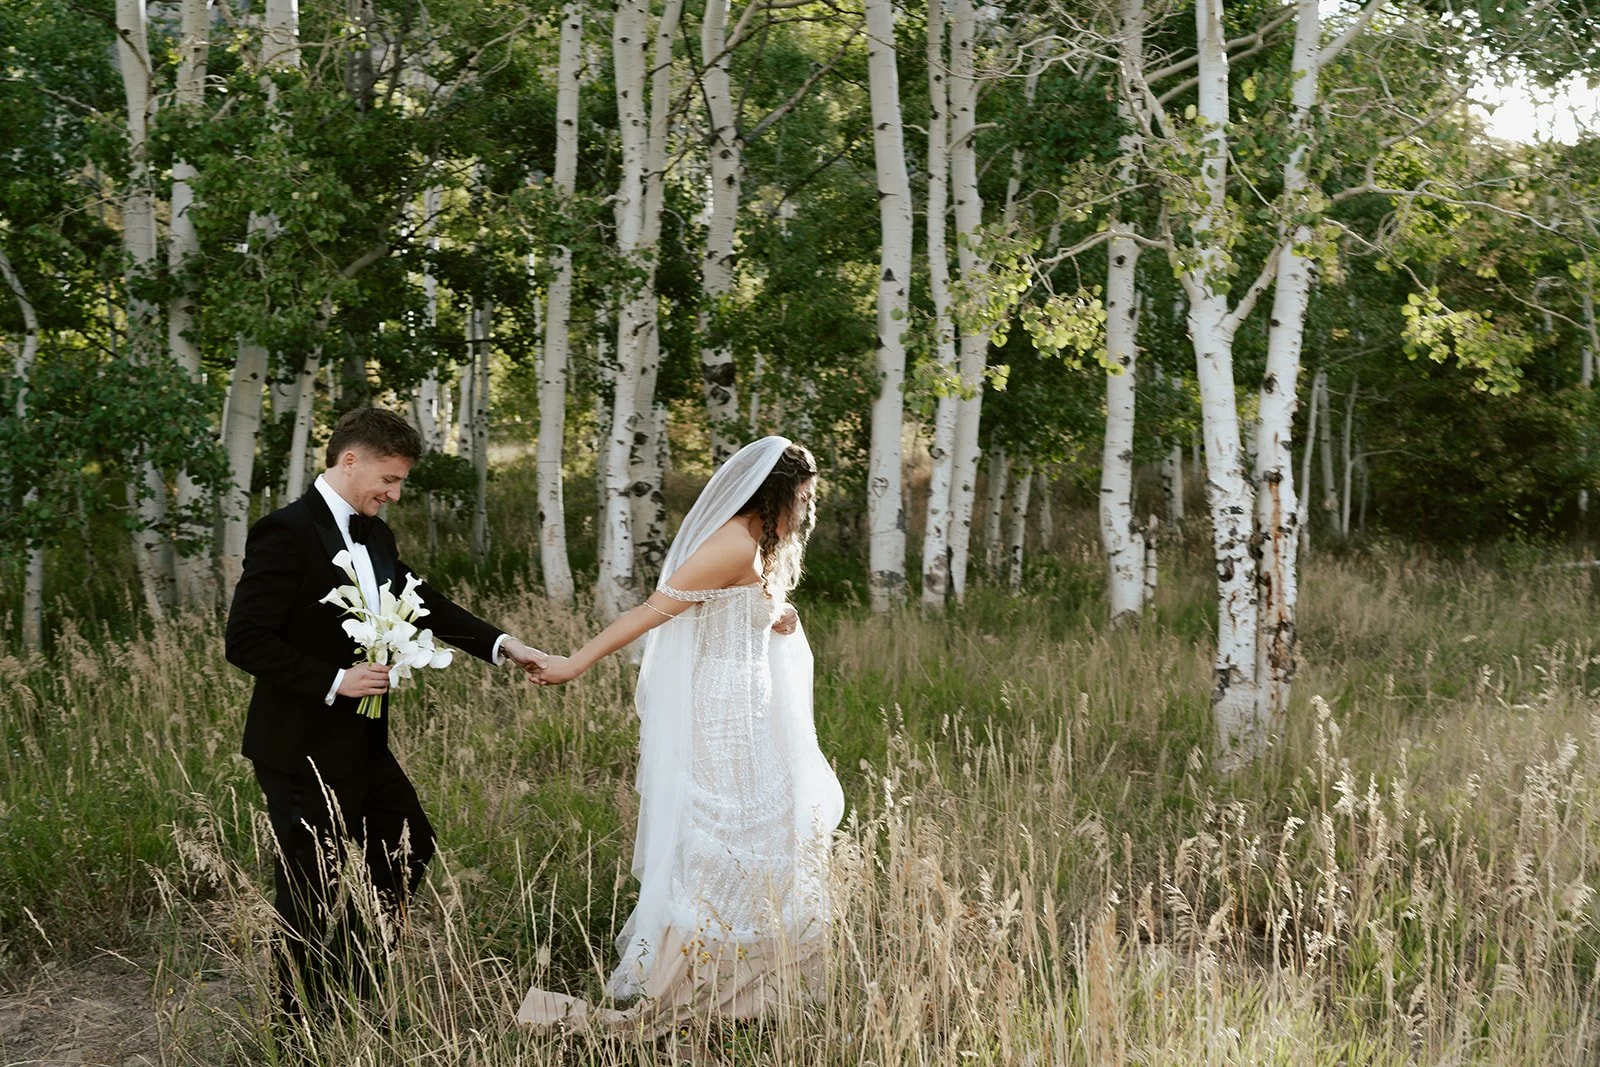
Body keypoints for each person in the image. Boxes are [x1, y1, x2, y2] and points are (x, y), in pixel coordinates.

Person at [517, 436, 844, 1036]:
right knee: (722, 840)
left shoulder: (759, 544)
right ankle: (702, 984)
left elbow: (735, 610)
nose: (806, 508)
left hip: (749, 708)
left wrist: (778, 616)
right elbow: (649, 613)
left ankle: (755, 988)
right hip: (719, 717)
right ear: (775, 494)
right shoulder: (731, 543)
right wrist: (573, 662)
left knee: (766, 832)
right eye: (801, 496)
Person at [224, 406, 543, 1022]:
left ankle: (348, 975)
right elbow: (246, 639)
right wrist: (336, 680)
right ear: (350, 460)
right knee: (309, 892)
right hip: (297, 748)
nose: (394, 494)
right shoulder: (283, 532)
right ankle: (297, 1031)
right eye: (389, 479)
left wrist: (504, 646)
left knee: (409, 844)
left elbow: (424, 603)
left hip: (365, 740)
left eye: (400, 483)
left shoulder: (377, 534)